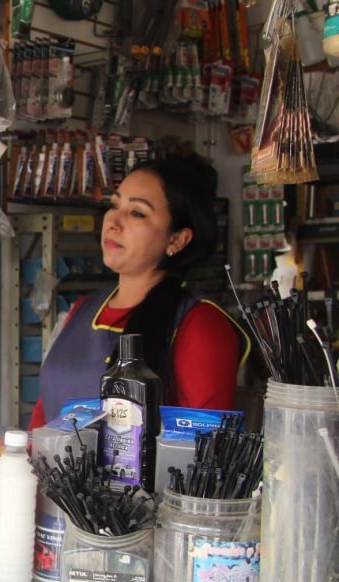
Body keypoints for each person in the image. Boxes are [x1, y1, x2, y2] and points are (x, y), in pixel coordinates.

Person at [30, 155, 249, 429]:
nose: (113, 221)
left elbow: (202, 445)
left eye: (137, 213)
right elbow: (44, 411)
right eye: (114, 205)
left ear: (177, 239)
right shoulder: (83, 308)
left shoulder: (200, 324)